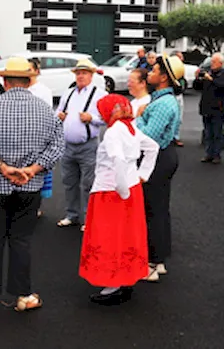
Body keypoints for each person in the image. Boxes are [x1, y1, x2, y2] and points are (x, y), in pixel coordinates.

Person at [0, 57, 65, 312]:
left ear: (5, 81)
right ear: (30, 81)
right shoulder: (45, 110)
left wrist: (1, 166)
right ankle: (24, 295)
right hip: (30, 185)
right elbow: (57, 146)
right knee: (22, 239)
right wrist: (33, 168)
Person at [80, 94, 159, 306]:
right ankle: (125, 279)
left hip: (110, 191)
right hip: (130, 188)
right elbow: (152, 148)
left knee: (108, 238)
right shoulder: (130, 127)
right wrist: (142, 174)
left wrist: (122, 190)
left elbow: (118, 160)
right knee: (126, 236)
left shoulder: (114, 132)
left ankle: (113, 283)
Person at [135, 53, 184, 281]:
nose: (150, 74)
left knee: (153, 211)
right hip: (163, 157)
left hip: (159, 159)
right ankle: (159, 259)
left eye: (154, 71)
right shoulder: (163, 99)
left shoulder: (163, 103)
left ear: (164, 78)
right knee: (158, 209)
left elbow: (148, 136)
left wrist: (139, 117)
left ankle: (153, 263)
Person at [55, 59, 107, 231]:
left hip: (88, 146)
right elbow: (58, 112)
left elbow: (107, 119)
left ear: (91, 75)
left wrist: (92, 118)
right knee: (69, 182)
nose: (80, 76)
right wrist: (60, 115)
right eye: (78, 73)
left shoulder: (100, 94)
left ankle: (88, 218)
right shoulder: (68, 92)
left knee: (88, 184)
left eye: (84, 73)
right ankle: (72, 215)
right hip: (67, 145)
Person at [27, 58, 54, 217]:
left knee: (36, 171)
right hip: (20, 135)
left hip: (37, 135)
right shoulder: (20, 88)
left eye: (30, 70)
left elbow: (47, 114)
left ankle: (35, 205)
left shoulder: (43, 91)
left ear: (37, 71)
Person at [199, 53, 224, 164]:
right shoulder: (208, 74)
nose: (212, 64)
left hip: (218, 108)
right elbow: (197, 87)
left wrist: (211, 80)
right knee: (208, 133)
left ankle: (216, 155)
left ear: (221, 63)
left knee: (217, 133)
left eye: (214, 62)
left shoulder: (222, 75)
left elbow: (221, 85)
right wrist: (198, 78)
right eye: (211, 62)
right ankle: (209, 154)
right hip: (206, 107)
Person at [171, 51, 186, 146]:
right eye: (180, 57)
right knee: (172, 117)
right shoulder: (171, 69)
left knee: (179, 118)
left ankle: (176, 136)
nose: (182, 59)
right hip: (173, 95)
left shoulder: (181, 68)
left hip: (179, 94)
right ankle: (170, 137)